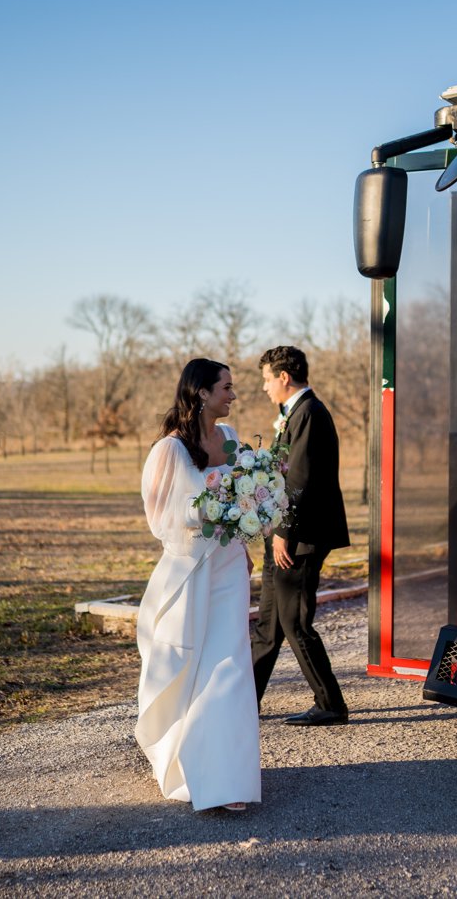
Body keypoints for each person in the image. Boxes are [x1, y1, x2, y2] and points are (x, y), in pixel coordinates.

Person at [135, 358, 261, 812]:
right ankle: (180, 763)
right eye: (226, 387)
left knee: (229, 666)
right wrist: (206, 510)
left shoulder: (229, 439)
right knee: (184, 664)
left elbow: (244, 495)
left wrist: (245, 536)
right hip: (189, 567)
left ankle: (227, 780)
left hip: (227, 565)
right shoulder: (168, 450)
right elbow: (160, 518)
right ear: (202, 393)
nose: (233, 394)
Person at [251, 345, 350, 725]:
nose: (264, 388)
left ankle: (330, 705)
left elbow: (301, 480)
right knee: (269, 625)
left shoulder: (309, 412)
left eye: (265, 380)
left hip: (300, 537)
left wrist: (283, 534)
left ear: (283, 377)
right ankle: (247, 702)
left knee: (295, 623)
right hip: (286, 534)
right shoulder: (296, 413)